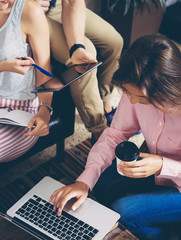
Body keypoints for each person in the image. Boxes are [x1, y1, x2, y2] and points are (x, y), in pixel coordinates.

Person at [49, 35, 181, 240]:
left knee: (123, 211)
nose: (132, 101)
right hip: (154, 168)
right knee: (101, 183)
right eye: (128, 92)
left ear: (166, 91)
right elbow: (115, 134)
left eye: (142, 98)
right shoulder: (136, 88)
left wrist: (164, 165)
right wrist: (84, 182)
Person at [35, 0, 123, 142]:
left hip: (55, 4)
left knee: (114, 41)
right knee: (86, 58)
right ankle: (99, 132)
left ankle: (105, 104)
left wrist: (76, 47)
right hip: (26, 11)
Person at [0, 0, 55, 162]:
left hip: (19, 110)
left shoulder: (30, 12)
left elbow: (44, 72)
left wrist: (45, 112)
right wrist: (3, 66)